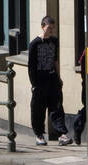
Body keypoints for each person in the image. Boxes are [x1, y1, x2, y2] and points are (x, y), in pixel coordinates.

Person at [26, 15, 72, 146]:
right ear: (42, 27)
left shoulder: (54, 41)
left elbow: (55, 60)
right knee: (38, 109)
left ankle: (62, 134)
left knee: (57, 107)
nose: (51, 30)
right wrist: (34, 83)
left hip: (52, 78)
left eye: (53, 28)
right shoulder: (34, 44)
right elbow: (31, 66)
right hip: (39, 80)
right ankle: (39, 135)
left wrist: (59, 77)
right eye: (48, 28)